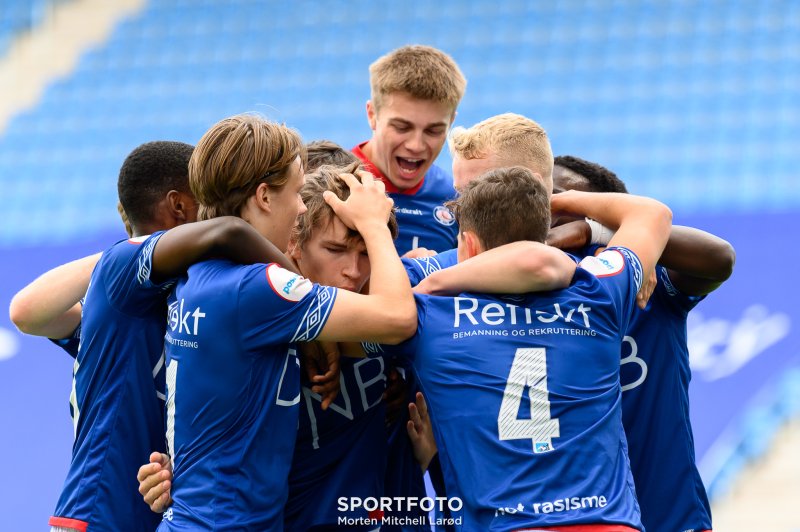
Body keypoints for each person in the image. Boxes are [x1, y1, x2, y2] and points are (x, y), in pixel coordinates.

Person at [8, 140, 292, 532]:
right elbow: (25, 310)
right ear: (178, 207)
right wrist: (125, 251)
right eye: (204, 200)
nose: (212, 210)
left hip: (161, 515)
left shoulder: (185, 306)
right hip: (100, 515)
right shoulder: (123, 285)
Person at [370, 166, 673, 530]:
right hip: (605, 521)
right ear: (543, 233)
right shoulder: (596, 293)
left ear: (467, 244)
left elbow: (359, 308)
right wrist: (552, 200)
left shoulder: (429, 315)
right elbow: (652, 213)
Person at [158, 114, 416, 531]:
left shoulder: (195, 276)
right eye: (297, 193)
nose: (299, 207)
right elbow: (398, 318)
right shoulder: (258, 289)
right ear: (264, 196)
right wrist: (373, 227)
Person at [549, 155, 735, 532]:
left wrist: (599, 234)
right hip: (578, 518)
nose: (555, 217)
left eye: (569, 203)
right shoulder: (520, 298)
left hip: (669, 517)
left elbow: (719, 259)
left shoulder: (648, 285)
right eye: (548, 202)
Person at [353, 44, 466, 255]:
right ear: (372, 115)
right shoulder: (330, 186)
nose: (416, 145)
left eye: (433, 131)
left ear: (451, 122)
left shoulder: (454, 200)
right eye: (402, 127)